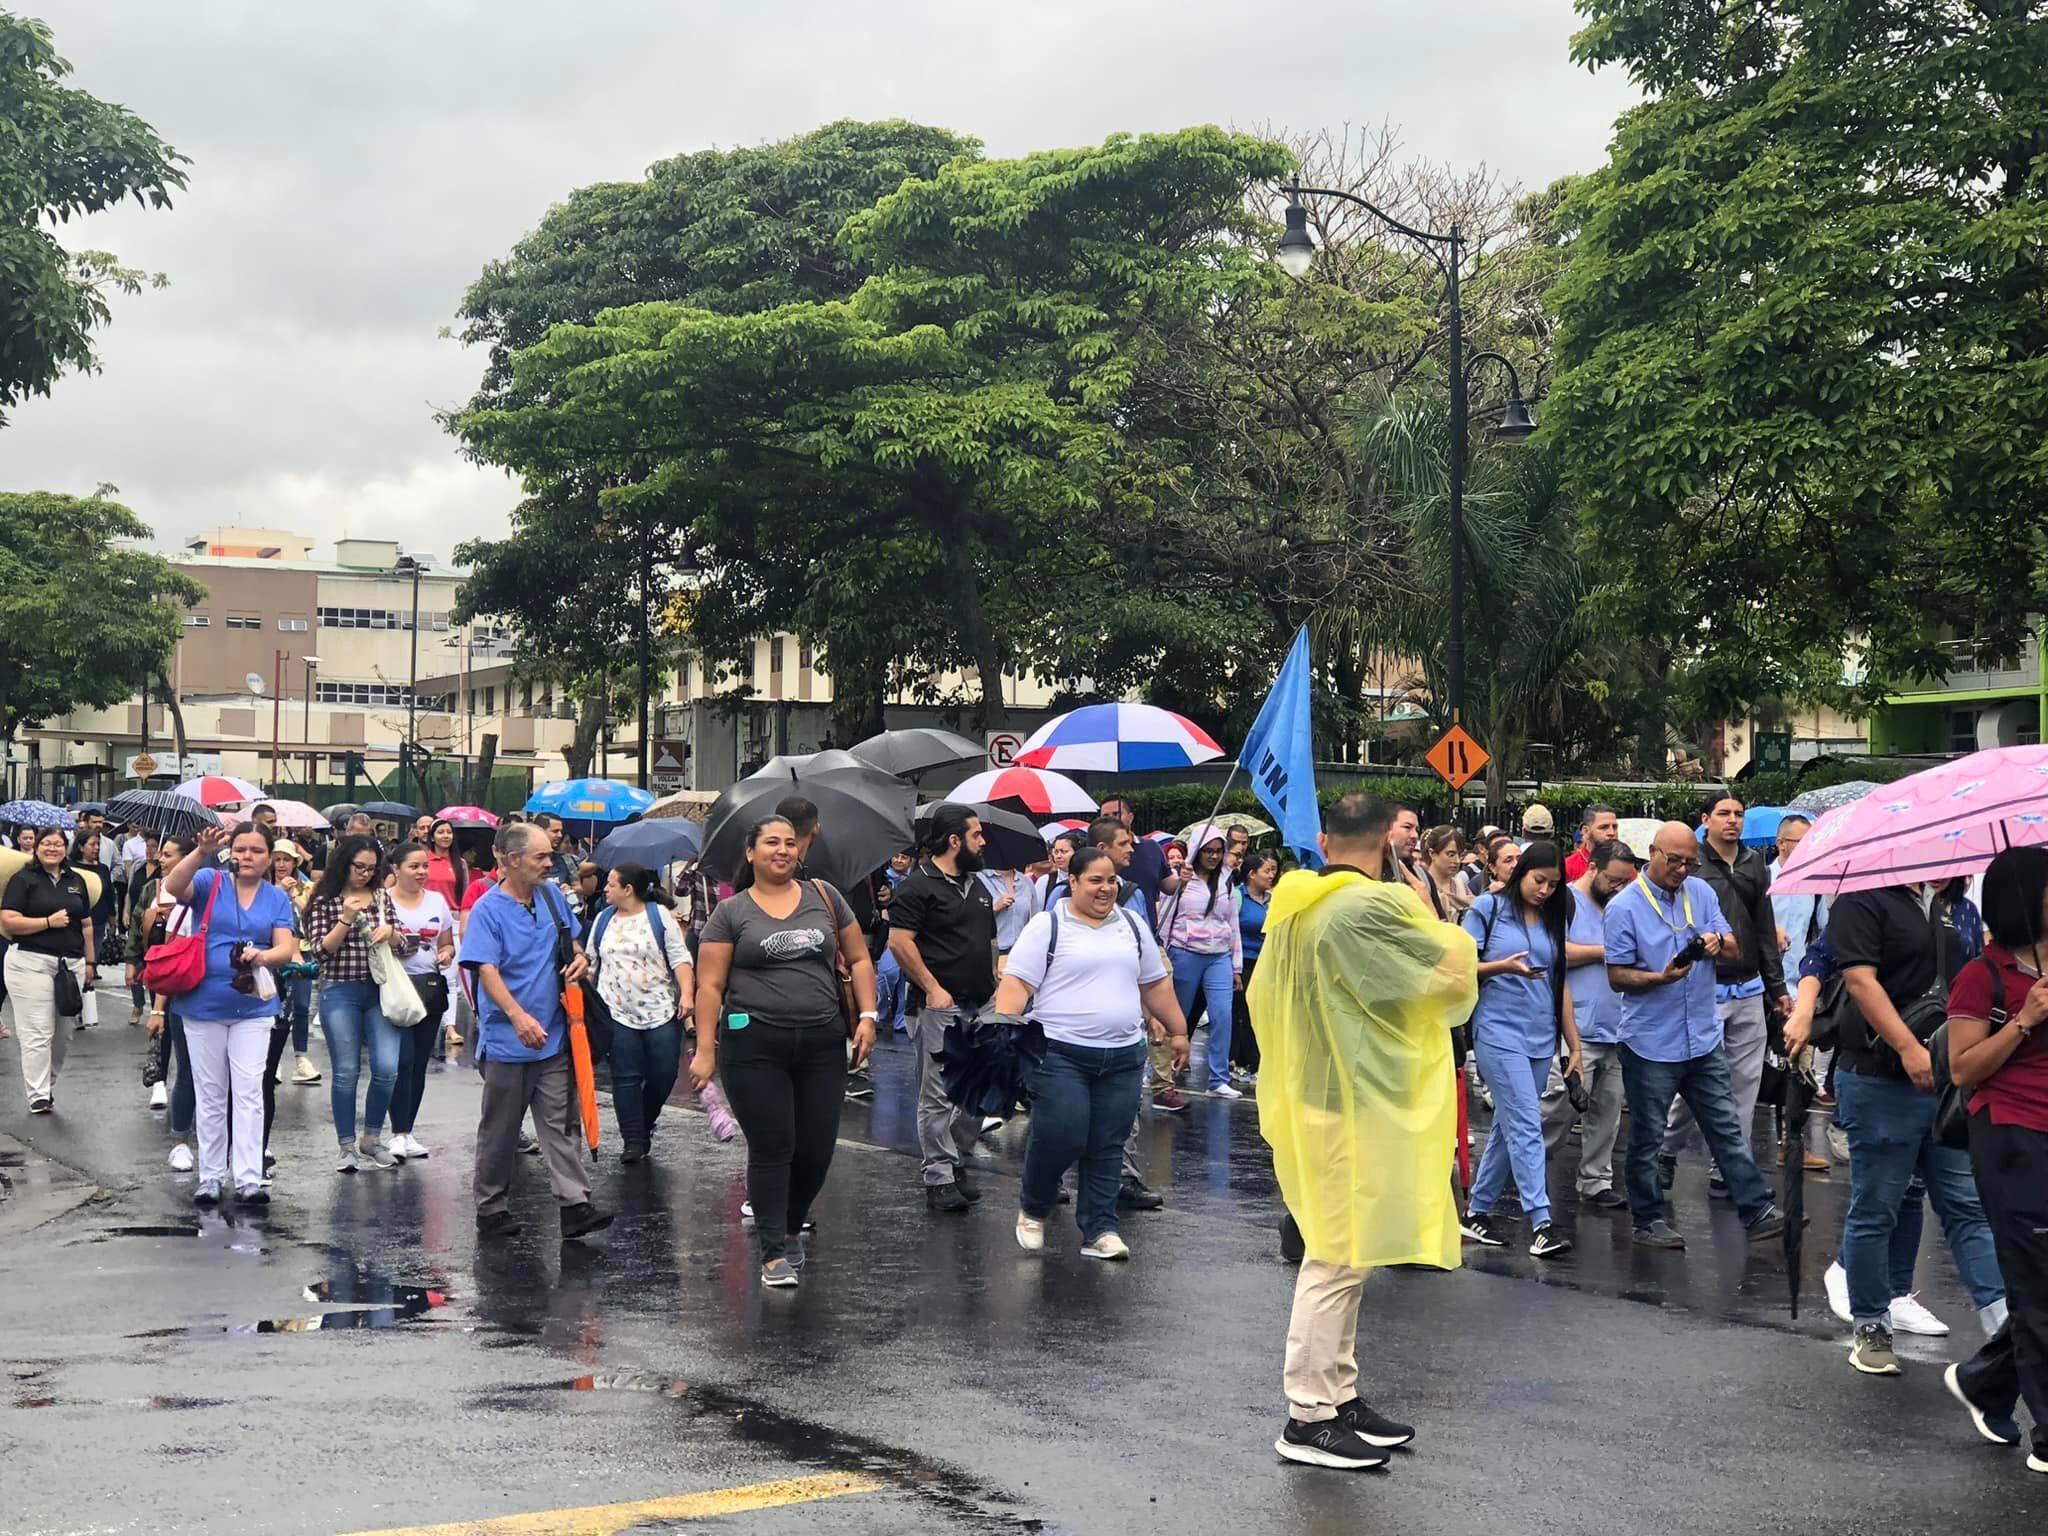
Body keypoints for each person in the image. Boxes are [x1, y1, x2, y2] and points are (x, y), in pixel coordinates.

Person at [1253, 793, 1476, 1470]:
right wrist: (1418, 900)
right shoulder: (1373, 907)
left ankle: (1339, 1394)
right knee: (1336, 1255)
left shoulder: (1295, 906)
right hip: (1355, 1099)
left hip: (1322, 1093)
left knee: (1348, 1256)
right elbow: (1450, 971)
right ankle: (1308, 1415)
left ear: (1324, 840)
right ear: (1388, 841)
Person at [1823, 874, 2004, 1375]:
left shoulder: (1955, 906)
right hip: (1879, 1077)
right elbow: (1860, 980)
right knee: (1877, 1206)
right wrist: (1907, 1048)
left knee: (1966, 1206)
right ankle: (1870, 1324)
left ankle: (2006, 1323)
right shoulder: (1863, 899)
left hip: (1945, 1077)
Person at [691, 816, 877, 1286]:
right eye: (771, 842)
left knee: (815, 1150)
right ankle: (773, 1250)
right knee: (775, 1146)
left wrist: (869, 1017)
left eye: (790, 843)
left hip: (821, 1042)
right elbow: (710, 986)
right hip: (753, 1046)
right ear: (750, 854)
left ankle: (793, 1227)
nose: (783, 850)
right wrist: (705, 1049)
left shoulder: (826, 898)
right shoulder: (730, 914)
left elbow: (858, 958)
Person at [997, 845, 1188, 1260]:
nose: (1105, 889)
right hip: (1060, 1052)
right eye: (1095, 881)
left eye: (1111, 881)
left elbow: (1154, 985)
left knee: (1107, 1143)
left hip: (1122, 1055)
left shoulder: (1133, 924)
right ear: (1074, 882)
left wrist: (1178, 1030)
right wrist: (1003, 1031)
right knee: (1062, 1133)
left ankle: (1100, 1229)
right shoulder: (1048, 926)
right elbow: (1016, 986)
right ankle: (1034, 1205)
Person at [1606, 823, 1788, 1249]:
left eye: (1690, 862)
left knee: (1725, 1126)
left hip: (1701, 1036)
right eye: (1675, 861)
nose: (1683, 869)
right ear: (1652, 853)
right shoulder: (1624, 906)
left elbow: (1734, 948)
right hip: (1651, 1041)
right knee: (1648, 1136)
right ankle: (1647, 1219)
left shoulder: (1701, 893)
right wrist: (1659, 977)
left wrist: (1714, 943)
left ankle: (1756, 1208)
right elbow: (1616, 976)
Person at [1943, 846, 2048, 1470]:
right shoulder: (1982, 975)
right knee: (2037, 1286)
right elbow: (1963, 1068)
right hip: (2010, 1137)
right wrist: (2025, 1021)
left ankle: (1984, 1382)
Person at [461, 820, 612, 1242]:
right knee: (501, 1131)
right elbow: (485, 969)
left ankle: (575, 1205)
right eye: (541, 856)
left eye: (551, 854)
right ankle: (491, 1208)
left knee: (562, 1125)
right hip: (509, 1040)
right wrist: (517, 1016)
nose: (551, 862)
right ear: (512, 860)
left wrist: (581, 959)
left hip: (555, 1034)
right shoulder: (489, 910)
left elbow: (572, 942)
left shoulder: (550, 898)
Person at [1658, 793, 1790, 1196]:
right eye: (1724, 814)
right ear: (1706, 819)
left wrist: (1777, 988)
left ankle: (1728, 1166)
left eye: (1738, 814)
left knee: (1744, 1084)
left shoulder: (1754, 865)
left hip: (1749, 986)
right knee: (1696, 1080)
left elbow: (1765, 929)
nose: (1732, 821)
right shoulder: (1691, 866)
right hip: (1704, 986)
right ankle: (1665, 1152)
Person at [161, 822, 298, 1206]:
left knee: (251, 1090)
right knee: (210, 1091)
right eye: (241, 849)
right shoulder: (209, 880)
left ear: (270, 857)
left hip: (254, 1005)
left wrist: (263, 956)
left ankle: (249, 1177)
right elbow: (173, 887)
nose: (247, 857)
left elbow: (285, 949)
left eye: (256, 850)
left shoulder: (276, 898)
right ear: (230, 851)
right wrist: (200, 851)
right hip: (203, 1004)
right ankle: (210, 1175)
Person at [1459, 841, 1581, 1258]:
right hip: (1497, 1032)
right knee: (1527, 1123)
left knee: (1506, 1128)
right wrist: (1503, 967)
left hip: (1540, 1036)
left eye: (1553, 884)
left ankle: (1476, 1214)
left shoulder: (1552, 920)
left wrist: (1573, 1047)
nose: (1545, 890)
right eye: (1538, 880)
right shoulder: (1487, 910)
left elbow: (1559, 983)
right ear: (1520, 873)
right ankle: (1542, 1222)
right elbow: (1458, 966)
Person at [888, 804, 998, 1212]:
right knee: (938, 1095)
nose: (983, 842)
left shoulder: (980, 887)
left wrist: (996, 986)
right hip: (938, 1007)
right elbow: (900, 943)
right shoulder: (918, 886)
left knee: (981, 1089)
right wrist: (932, 988)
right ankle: (938, 1175)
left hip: (981, 1002)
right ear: (955, 841)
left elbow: (988, 943)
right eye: (976, 835)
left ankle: (957, 1163)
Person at [306, 835, 404, 1172]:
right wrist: (345, 919)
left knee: (387, 1067)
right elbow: (319, 951)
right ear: (344, 864)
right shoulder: (324, 899)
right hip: (340, 990)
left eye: (371, 869)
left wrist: (392, 933)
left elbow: (406, 943)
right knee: (346, 1071)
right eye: (358, 867)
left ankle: (372, 1138)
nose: (364, 874)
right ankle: (346, 1145)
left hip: (381, 990)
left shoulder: (380, 897)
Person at [589, 861, 694, 1162]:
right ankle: (633, 1139)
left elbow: (680, 959)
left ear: (628, 889)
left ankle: (646, 1121)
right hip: (615, 1011)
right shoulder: (603, 919)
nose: (605, 888)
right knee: (625, 1076)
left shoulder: (658, 916)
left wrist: (686, 993)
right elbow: (591, 962)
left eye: (610, 884)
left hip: (660, 1009)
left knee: (663, 1074)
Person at [1562, 840, 1638, 1211]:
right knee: (1559, 1109)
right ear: (1592, 867)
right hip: (1578, 1027)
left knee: (1607, 1114)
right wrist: (1603, 952)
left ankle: (1596, 1180)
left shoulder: (1621, 906)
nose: (1618, 888)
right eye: (1612, 879)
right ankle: (1522, 1167)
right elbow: (1552, 951)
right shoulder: (1566, 901)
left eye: (1625, 882)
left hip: (1616, 1027)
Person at [2, 826, 97, 1112]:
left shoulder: (75, 880)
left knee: (63, 1033)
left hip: (70, 965)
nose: (52, 849)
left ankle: (47, 1083)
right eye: (46, 843)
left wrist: (91, 962)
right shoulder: (23, 880)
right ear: (36, 848)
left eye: (57, 844)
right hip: (30, 963)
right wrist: (46, 922)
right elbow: (8, 920)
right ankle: (38, 1094)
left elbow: (86, 924)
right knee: (37, 1032)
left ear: (65, 848)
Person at [384, 841, 456, 1160]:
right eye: (414, 866)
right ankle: (395, 1132)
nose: (421, 871)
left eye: (424, 866)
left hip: (429, 987)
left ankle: (408, 1131)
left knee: (418, 1064)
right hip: (395, 988)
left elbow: (447, 942)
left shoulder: (437, 902)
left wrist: (446, 954)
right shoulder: (383, 902)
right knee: (401, 1061)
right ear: (396, 870)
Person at [1159, 824, 1244, 1098]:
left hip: (1219, 954)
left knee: (1222, 1014)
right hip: (1185, 951)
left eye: (1219, 851)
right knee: (1176, 1016)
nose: (1214, 856)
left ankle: (1218, 1078)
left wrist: (1236, 966)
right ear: (1196, 851)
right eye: (1208, 851)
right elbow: (1165, 915)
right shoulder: (1180, 879)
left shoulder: (1227, 879)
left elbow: (1233, 923)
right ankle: (1162, 1072)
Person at [264, 838, 321, 1109]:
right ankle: (270, 1060)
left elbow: (312, 918)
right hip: (273, 954)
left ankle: (301, 1058)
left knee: (300, 1006)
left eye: (287, 859)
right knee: (272, 1007)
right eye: (277, 859)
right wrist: (278, 893)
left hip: (303, 952)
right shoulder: (264, 888)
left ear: (295, 862)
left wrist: (295, 897)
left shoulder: (307, 886)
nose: (282, 864)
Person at [1231, 850, 1280, 1080]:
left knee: (1262, 1013)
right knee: (1242, 1013)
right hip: (1244, 962)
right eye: (1267, 870)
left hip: (1266, 962)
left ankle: (1256, 1062)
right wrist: (1235, 968)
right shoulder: (1238, 897)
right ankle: (1240, 1061)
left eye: (1274, 870)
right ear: (1252, 874)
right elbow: (1231, 931)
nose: (1272, 875)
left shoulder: (1273, 900)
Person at [67, 829, 115, 1027]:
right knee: (76, 963)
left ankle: (83, 1007)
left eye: (98, 845)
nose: (96, 849)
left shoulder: (103, 869)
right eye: (92, 845)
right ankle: (73, 1005)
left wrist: (114, 921)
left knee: (90, 964)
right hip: (75, 922)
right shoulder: (71, 868)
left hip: (98, 921)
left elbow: (109, 895)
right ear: (80, 846)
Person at [1098, 795, 1168, 912]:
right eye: (1105, 816)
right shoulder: (1091, 855)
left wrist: (1182, 879)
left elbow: (1166, 883)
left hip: (1146, 924)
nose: (1112, 819)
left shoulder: (1151, 847)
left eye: (1116, 814)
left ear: (1130, 818)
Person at [979, 865, 1038, 965]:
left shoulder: (1026, 881)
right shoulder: (980, 878)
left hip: (1020, 951)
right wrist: (995, 907)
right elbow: (972, 917)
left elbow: (1035, 917)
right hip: (992, 952)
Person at [1418, 827, 1472, 921]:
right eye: (1451, 855)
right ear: (1432, 853)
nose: (1457, 861)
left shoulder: (1461, 886)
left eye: (1460, 855)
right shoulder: (1421, 885)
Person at [1563, 805, 1619, 882]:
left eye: (1614, 827)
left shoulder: (1623, 865)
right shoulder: (1568, 867)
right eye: (1603, 827)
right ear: (1586, 831)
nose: (1612, 833)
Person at [424, 818, 469, 909]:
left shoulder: (461, 863)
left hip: (453, 915)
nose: (446, 836)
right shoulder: (423, 860)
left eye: (449, 832)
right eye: (440, 832)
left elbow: (465, 892)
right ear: (432, 837)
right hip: (426, 913)